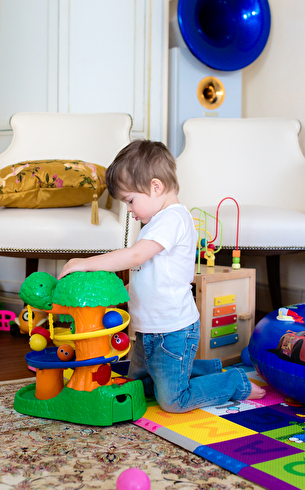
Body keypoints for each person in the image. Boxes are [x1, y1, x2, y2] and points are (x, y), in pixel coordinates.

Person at [58, 139, 265, 413]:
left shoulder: (173, 219)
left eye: (130, 201)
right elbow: (148, 273)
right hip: (147, 332)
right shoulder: (156, 222)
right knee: (138, 387)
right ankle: (202, 369)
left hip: (173, 332)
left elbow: (135, 257)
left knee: (173, 401)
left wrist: (87, 263)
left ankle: (234, 381)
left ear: (155, 187)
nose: (129, 210)